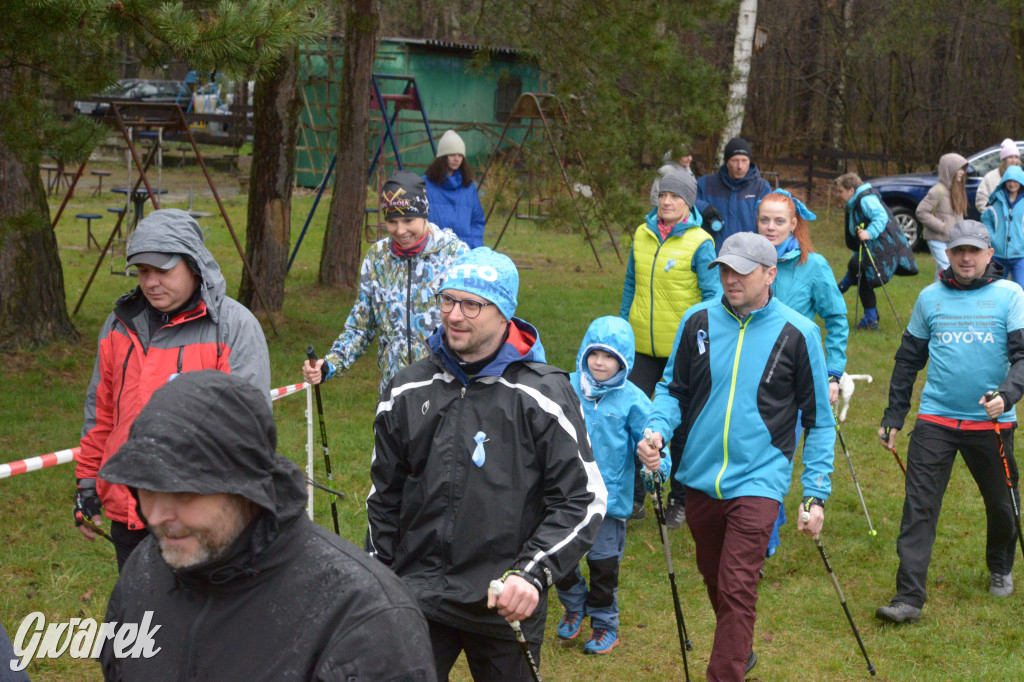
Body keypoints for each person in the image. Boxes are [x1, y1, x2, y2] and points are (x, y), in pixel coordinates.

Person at [97, 371, 437, 681]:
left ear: (246, 490)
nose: (155, 517)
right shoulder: (143, 570)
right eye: (147, 489)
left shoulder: (366, 620)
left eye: (183, 493)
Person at [367, 247, 606, 681]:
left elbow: (582, 499)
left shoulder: (543, 395)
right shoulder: (407, 388)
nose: (454, 315)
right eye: (447, 300)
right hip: (416, 593)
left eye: (472, 304)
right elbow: (384, 496)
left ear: (504, 314)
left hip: (504, 597)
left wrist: (532, 574)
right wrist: (378, 578)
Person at [637, 232, 835, 680]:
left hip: (761, 479)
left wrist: (815, 491)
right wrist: (657, 430)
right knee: (716, 580)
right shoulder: (697, 320)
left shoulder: (799, 332)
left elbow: (819, 419)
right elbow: (672, 390)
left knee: (737, 585)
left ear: (769, 274)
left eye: (742, 271)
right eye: (725, 269)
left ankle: (724, 670)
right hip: (700, 477)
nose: (730, 279)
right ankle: (739, 646)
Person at [75, 209, 270, 571]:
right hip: (131, 513)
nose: (151, 282)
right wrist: (87, 485)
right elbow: (101, 411)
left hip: (200, 514)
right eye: (143, 271)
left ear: (194, 265)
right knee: (140, 620)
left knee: (200, 623)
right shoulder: (119, 325)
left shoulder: (234, 327)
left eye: (163, 271)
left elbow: (250, 431)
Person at [876, 220, 1024, 624]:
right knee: (919, 507)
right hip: (936, 421)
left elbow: (1023, 357)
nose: (965, 257)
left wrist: (1006, 395)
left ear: (989, 255)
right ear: (949, 253)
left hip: (991, 423)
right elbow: (908, 360)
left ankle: (1000, 565)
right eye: (958, 250)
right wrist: (894, 415)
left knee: (1002, 506)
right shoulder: (929, 297)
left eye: (973, 251)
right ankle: (908, 598)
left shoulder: (1010, 295)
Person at [555, 316, 670, 655]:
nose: (600, 363)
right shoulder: (565, 387)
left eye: (609, 357)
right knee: (561, 559)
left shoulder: (633, 400)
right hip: (566, 496)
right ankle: (574, 604)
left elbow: (655, 444)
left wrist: (656, 463)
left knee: (603, 567)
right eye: (594, 354)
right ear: (584, 354)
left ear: (624, 361)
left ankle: (605, 623)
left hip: (609, 501)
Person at [303, 170, 468, 397]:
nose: (400, 231)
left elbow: (474, 322)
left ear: (425, 214)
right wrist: (330, 364)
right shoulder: (377, 258)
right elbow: (361, 326)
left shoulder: (456, 255)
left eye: (408, 220)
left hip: (445, 392)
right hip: (395, 393)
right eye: (392, 222)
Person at [620, 169, 718, 528]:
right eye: (662, 195)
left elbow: (713, 297)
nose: (667, 201)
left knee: (679, 429)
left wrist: (704, 343)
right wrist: (622, 333)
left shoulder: (700, 241)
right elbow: (631, 284)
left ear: (688, 202)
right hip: (642, 349)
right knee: (631, 420)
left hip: (682, 353)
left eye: (675, 196)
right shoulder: (641, 235)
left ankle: (680, 499)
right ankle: (632, 498)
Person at [756, 189, 847, 558]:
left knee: (777, 455)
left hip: (793, 379)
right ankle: (761, 526)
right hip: (748, 373)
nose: (771, 227)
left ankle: (764, 537)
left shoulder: (814, 266)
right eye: (765, 220)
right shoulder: (747, 259)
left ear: (794, 224)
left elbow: (837, 319)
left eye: (780, 221)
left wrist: (833, 373)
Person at [835, 173, 919, 330]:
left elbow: (881, 217)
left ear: (851, 190)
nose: (838, 195)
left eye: (840, 191)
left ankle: (842, 292)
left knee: (861, 274)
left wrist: (869, 233)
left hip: (883, 247)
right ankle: (869, 316)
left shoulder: (866, 200)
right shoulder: (856, 201)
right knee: (860, 273)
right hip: (871, 247)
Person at [695, 137, 772, 252]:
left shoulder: (761, 187)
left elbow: (772, 218)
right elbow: (685, 201)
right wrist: (703, 207)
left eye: (744, 160)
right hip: (713, 255)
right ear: (726, 162)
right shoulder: (706, 183)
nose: (740, 166)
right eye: (735, 160)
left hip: (749, 256)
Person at [424, 129, 487, 248]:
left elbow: (477, 220)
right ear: (442, 157)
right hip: (433, 251)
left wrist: (475, 247)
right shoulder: (426, 185)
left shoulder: (468, 187)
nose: (457, 159)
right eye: (452, 155)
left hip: (464, 253)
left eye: (460, 155)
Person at [916, 152, 968, 278]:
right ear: (949, 170)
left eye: (963, 169)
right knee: (948, 267)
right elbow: (921, 211)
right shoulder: (937, 191)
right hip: (936, 238)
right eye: (959, 169)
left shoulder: (956, 191)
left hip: (950, 239)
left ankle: (936, 295)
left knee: (942, 269)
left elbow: (957, 217)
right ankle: (949, 295)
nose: (962, 172)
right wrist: (941, 226)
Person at [981, 164, 1024, 283]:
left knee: (1021, 289)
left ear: (1021, 181)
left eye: (1015, 181)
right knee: (993, 287)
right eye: (1009, 181)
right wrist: (992, 237)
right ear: (1004, 181)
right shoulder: (995, 200)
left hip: (1020, 255)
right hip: (997, 255)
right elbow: (985, 219)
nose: (1012, 184)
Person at [975, 138, 1021, 213]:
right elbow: (981, 200)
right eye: (1010, 157)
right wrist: (992, 216)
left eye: (1016, 157)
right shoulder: (990, 177)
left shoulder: (1022, 177)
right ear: (1004, 160)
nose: (1013, 160)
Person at [649, 143, 695, 207]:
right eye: (685, 156)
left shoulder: (689, 172)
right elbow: (655, 194)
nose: (690, 158)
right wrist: (660, 212)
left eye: (690, 155)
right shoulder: (666, 170)